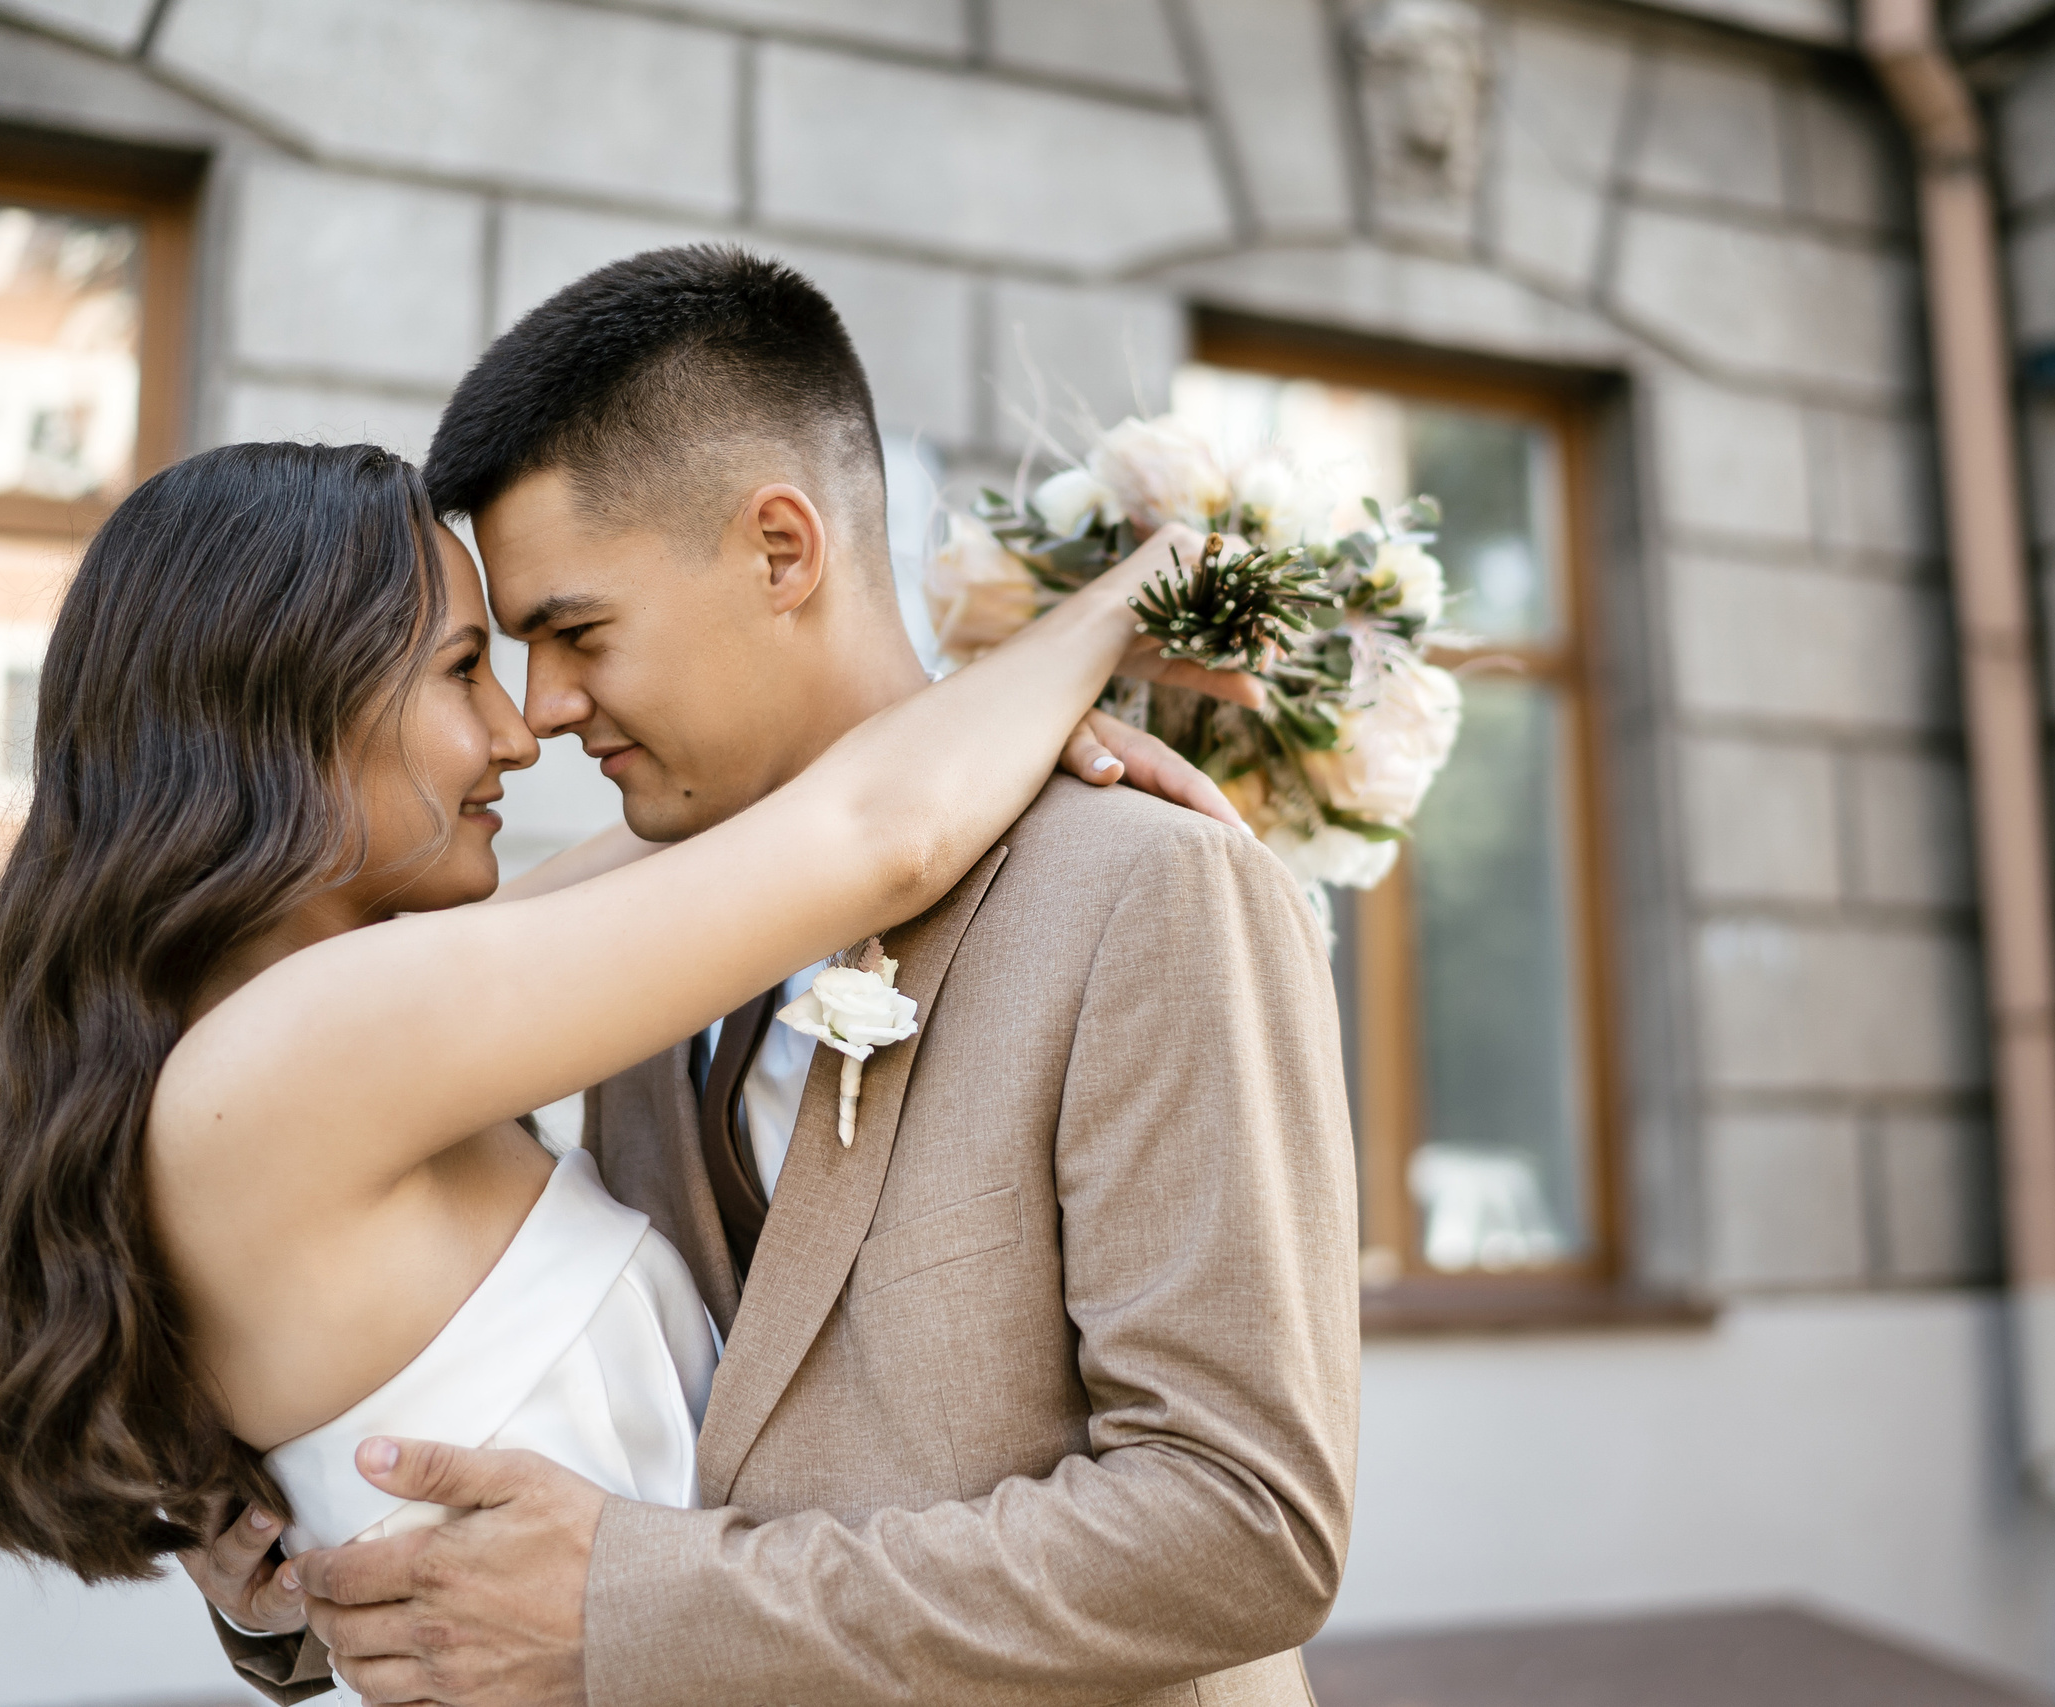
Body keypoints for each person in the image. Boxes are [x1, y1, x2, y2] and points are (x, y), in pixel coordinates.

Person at [194, 247, 1361, 1707]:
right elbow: (632, 1429)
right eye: (502, 656)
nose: (543, 713)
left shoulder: (1140, 885)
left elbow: (1244, 1531)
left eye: (575, 632)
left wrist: (641, 1608)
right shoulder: (634, 956)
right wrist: (310, 1580)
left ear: (781, 552)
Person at [0, 435, 1240, 1671]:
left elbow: (754, 822)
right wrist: (1143, 589)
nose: (515, 729)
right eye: (459, 669)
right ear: (285, 709)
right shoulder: (304, 1053)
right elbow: (872, 835)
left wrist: (1006, 715)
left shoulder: (295, 1024)